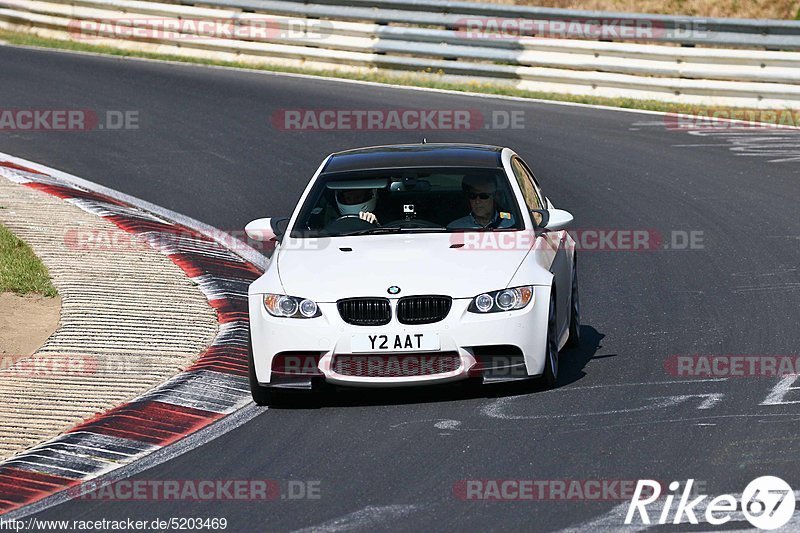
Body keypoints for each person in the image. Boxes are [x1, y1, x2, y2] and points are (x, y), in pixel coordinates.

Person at [447, 175, 515, 229]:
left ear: (494, 197)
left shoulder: (513, 222)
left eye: (483, 196)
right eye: (473, 196)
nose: (477, 201)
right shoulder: (455, 227)